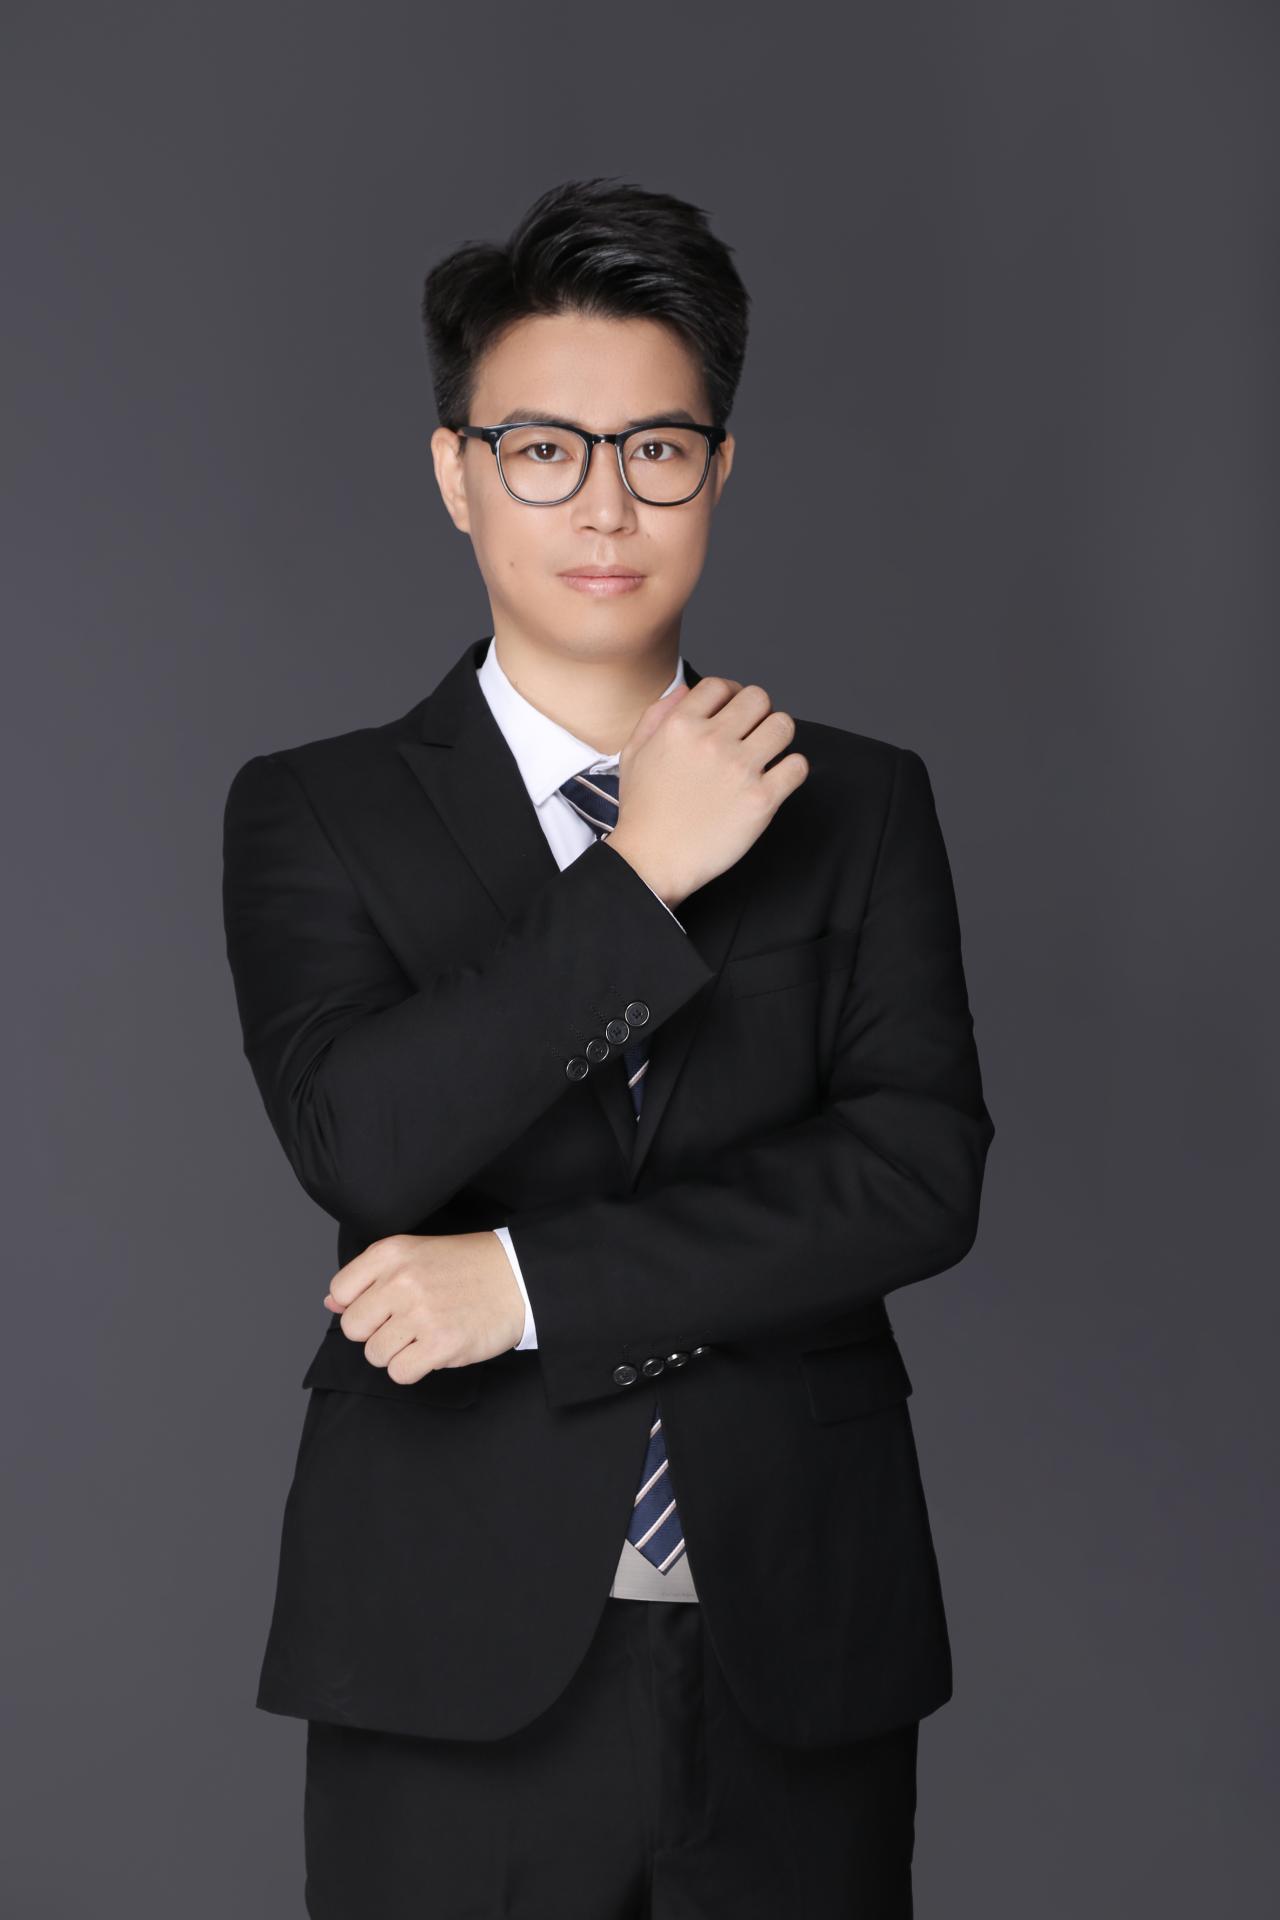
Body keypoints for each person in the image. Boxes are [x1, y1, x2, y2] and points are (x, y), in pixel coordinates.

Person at [221, 175, 995, 1919]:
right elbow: (364, 1137)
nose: (605, 502)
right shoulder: (316, 810)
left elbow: (915, 1176)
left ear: (718, 469)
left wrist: (528, 1286)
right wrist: (640, 878)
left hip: (802, 1638)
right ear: (456, 473)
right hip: (447, 1652)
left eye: (656, 448)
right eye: (542, 450)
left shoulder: (860, 803)